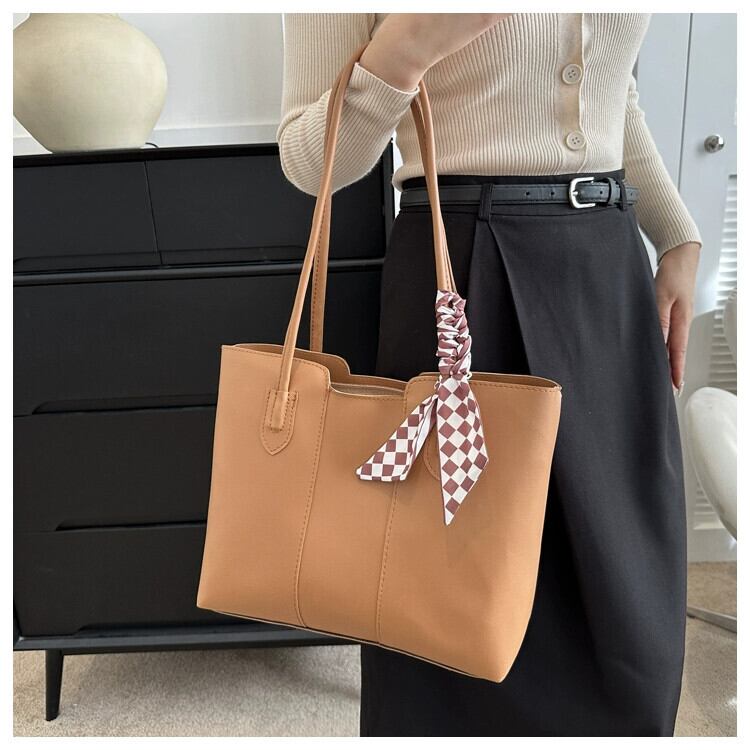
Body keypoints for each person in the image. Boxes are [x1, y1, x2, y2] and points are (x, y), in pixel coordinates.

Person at [276, 12, 702, 737]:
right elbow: (306, 158)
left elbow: (613, 91)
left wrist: (676, 231)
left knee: (628, 594)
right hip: (463, 265)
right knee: (451, 588)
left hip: (607, 268)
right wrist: (405, 50)